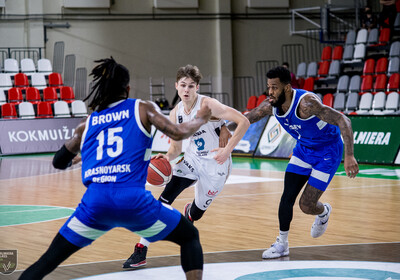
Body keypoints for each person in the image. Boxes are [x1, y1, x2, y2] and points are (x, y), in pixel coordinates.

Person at [19, 57, 213, 280]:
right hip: (133, 202)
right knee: (189, 236)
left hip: (95, 205)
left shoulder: (88, 122)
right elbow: (178, 133)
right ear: (127, 88)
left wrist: (77, 157)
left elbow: (58, 162)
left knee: (47, 261)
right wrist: (200, 119)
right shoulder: (142, 108)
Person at [123, 64, 250, 268]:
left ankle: (190, 212)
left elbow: (243, 121)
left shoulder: (209, 105)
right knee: (163, 200)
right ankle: (141, 250)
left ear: (197, 87)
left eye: (191, 86)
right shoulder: (176, 113)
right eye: (183, 85)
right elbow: (176, 148)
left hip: (216, 165)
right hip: (192, 160)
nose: (186, 90)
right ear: (176, 86)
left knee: (196, 214)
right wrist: (166, 157)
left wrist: (227, 150)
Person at [228, 66, 359, 259]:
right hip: (304, 150)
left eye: (274, 87)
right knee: (287, 196)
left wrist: (349, 156)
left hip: (328, 152)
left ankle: (323, 212)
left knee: (306, 205)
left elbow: (343, 120)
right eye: (268, 87)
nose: (270, 92)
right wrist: (221, 128)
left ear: (287, 88)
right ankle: (282, 244)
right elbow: (247, 118)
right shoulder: (270, 105)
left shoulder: (307, 104)